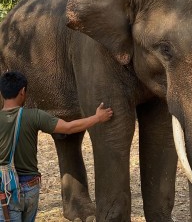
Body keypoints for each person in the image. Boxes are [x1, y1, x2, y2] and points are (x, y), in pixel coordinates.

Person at [0, 71, 113, 222]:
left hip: (4, 188)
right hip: (30, 186)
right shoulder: (34, 116)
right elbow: (68, 127)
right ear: (22, 91)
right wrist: (97, 117)